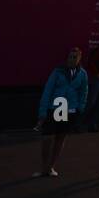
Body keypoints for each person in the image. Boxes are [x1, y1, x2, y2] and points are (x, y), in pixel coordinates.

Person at [35, 47, 88, 177]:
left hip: (69, 110)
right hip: (55, 107)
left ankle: (51, 167)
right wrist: (43, 111)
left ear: (79, 59)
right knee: (47, 138)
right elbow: (48, 90)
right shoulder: (58, 71)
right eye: (70, 56)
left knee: (60, 138)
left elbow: (84, 91)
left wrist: (80, 107)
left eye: (74, 57)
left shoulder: (82, 74)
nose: (71, 59)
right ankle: (44, 167)